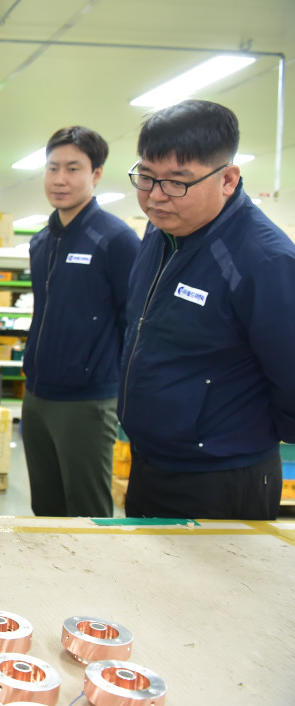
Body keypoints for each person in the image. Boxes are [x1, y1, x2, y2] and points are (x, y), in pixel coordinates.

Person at [119, 99, 295, 521]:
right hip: (151, 461)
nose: (156, 197)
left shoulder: (263, 260)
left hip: (221, 478)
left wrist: (229, 435)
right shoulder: (161, 233)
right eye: (146, 176)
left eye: (178, 182)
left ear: (228, 179)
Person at [20, 126, 140, 518]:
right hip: (37, 397)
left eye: (73, 168)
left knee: (88, 511)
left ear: (97, 174)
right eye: (52, 168)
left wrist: (117, 388)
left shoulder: (116, 239)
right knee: (46, 509)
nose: (60, 179)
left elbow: (134, 323)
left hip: (88, 401)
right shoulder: (41, 242)